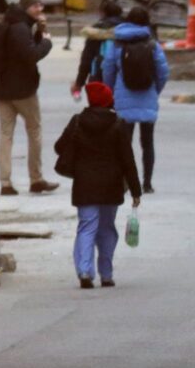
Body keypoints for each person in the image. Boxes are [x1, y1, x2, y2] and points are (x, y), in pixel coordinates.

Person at [53, 80, 140, 289]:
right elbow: (128, 160)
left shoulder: (77, 122)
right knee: (107, 229)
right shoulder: (118, 124)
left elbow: (59, 147)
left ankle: (84, 271)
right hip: (111, 186)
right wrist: (136, 191)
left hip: (84, 185)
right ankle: (107, 274)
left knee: (86, 227)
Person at [0, 0, 58, 197]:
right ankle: (36, 179)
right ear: (26, 8)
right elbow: (30, 55)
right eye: (36, 6)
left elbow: (20, 49)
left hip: (3, 89)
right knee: (34, 130)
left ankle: (5, 182)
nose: (40, 9)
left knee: (6, 134)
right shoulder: (19, 27)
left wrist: (38, 31)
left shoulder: (7, 24)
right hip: (23, 90)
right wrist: (47, 41)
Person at [100, 4, 171, 195]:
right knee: (147, 143)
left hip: (124, 99)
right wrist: (156, 89)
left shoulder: (117, 44)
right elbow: (163, 72)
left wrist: (111, 91)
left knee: (125, 143)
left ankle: (125, 181)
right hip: (148, 96)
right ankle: (147, 183)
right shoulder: (152, 44)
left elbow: (108, 70)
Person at [72, 0, 128, 93]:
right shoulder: (129, 30)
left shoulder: (95, 31)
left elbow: (86, 60)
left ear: (103, 13)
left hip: (98, 78)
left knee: (99, 106)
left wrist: (79, 83)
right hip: (124, 79)